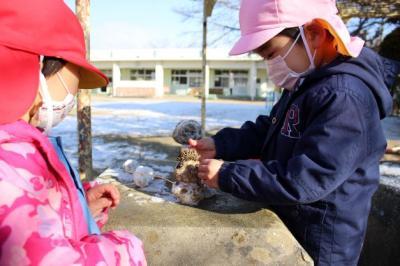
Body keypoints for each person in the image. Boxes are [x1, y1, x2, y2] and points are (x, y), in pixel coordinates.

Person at [190, 0, 400, 265]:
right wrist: (221, 145)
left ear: (313, 33)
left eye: (270, 53)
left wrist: (228, 174)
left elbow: (306, 179)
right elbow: (273, 127)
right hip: (293, 225)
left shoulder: (344, 97)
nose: (270, 67)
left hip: (321, 243)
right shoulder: (308, 82)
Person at [0, 1, 146, 265]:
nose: (75, 92)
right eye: (76, 72)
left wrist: (77, 208)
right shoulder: (11, 159)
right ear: (36, 66)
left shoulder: (18, 147)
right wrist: (126, 251)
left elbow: (31, 229)